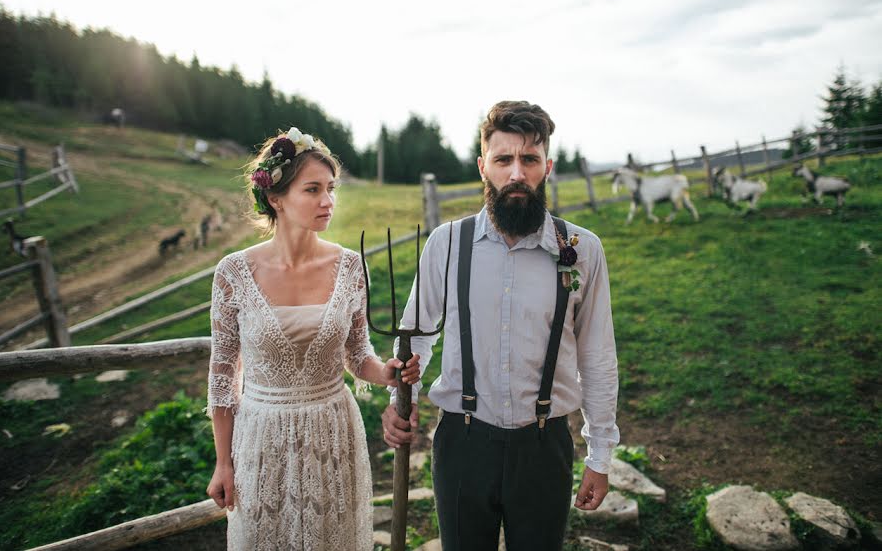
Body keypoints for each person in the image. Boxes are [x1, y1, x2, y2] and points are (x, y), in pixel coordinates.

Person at [381, 101, 620, 550]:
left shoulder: (582, 249)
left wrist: (600, 454)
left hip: (545, 445)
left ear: (546, 167)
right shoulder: (446, 244)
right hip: (462, 442)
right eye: (503, 160)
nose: (516, 173)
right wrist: (399, 400)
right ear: (482, 167)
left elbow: (597, 356)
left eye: (529, 160)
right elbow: (415, 337)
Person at [205, 127, 420, 551]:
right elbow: (222, 376)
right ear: (276, 198)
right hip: (261, 438)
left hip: (333, 432)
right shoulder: (233, 274)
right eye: (313, 189)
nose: (328, 201)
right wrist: (223, 463)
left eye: (331, 189)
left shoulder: (349, 266)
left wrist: (388, 372)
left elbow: (358, 355)